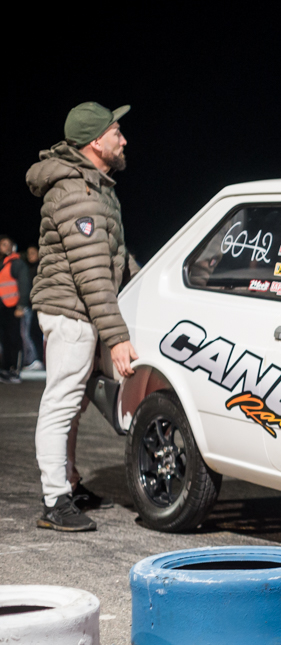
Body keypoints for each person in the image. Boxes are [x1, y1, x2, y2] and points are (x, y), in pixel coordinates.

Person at [26, 101, 138, 531]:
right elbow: (92, 274)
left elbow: (114, 258)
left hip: (80, 310)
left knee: (73, 405)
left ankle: (69, 483)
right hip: (71, 312)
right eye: (116, 132)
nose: (123, 140)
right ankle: (55, 501)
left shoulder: (96, 186)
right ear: (95, 142)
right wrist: (117, 336)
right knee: (61, 403)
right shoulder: (78, 193)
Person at [0, 234, 32, 382]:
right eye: (2, 244)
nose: (4, 247)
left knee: (15, 338)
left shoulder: (17, 263)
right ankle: (6, 369)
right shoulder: (3, 264)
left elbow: (24, 284)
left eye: (7, 244)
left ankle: (15, 369)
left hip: (14, 307)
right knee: (5, 339)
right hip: (3, 308)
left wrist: (22, 305)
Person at [21, 244, 44, 370]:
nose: (30, 256)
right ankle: (35, 359)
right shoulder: (27, 268)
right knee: (30, 332)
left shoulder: (41, 268)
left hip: (40, 304)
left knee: (36, 332)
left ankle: (39, 359)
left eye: (33, 253)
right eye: (29, 253)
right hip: (31, 306)